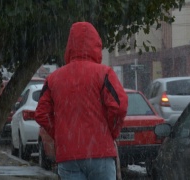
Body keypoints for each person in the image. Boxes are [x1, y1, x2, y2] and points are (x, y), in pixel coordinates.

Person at [35, 21, 128, 180]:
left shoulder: (53, 79)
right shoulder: (104, 73)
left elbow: (41, 113)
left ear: (69, 46)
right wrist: (110, 132)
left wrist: (61, 134)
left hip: (68, 155)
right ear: (96, 44)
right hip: (100, 152)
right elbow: (119, 107)